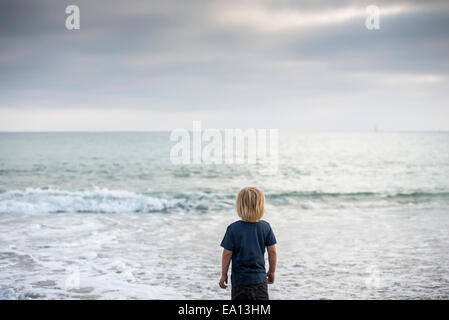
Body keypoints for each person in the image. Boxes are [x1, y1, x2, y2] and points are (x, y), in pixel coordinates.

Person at [219, 186, 277, 300]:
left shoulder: (233, 228)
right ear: (261, 206)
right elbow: (273, 251)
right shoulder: (265, 227)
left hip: (240, 281)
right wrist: (271, 271)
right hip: (260, 280)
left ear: (240, 206)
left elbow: (227, 253)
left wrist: (224, 274)